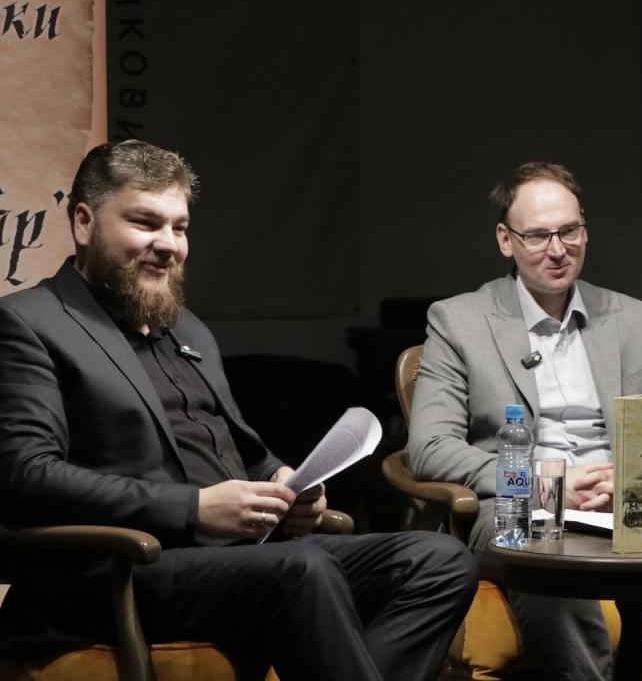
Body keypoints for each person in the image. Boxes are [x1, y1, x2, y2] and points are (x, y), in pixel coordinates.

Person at [0, 140, 478, 681]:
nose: (168, 244)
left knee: (439, 561)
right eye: (145, 222)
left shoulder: (186, 329)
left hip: (242, 557)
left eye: (179, 227)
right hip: (125, 568)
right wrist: (193, 508)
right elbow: (25, 477)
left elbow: (237, 450)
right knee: (303, 567)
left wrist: (281, 482)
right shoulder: (30, 323)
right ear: (84, 222)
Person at [408, 161, 642, 680]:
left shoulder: (631, 317)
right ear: (506, 240)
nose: (558, 249)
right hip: (522, 506)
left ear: (585, 229)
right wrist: (549, 483)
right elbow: (429, 447)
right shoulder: (458, 320)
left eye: (569, 231)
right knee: (539, 542)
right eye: (538, 235)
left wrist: (632, 483)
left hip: (629, 498)